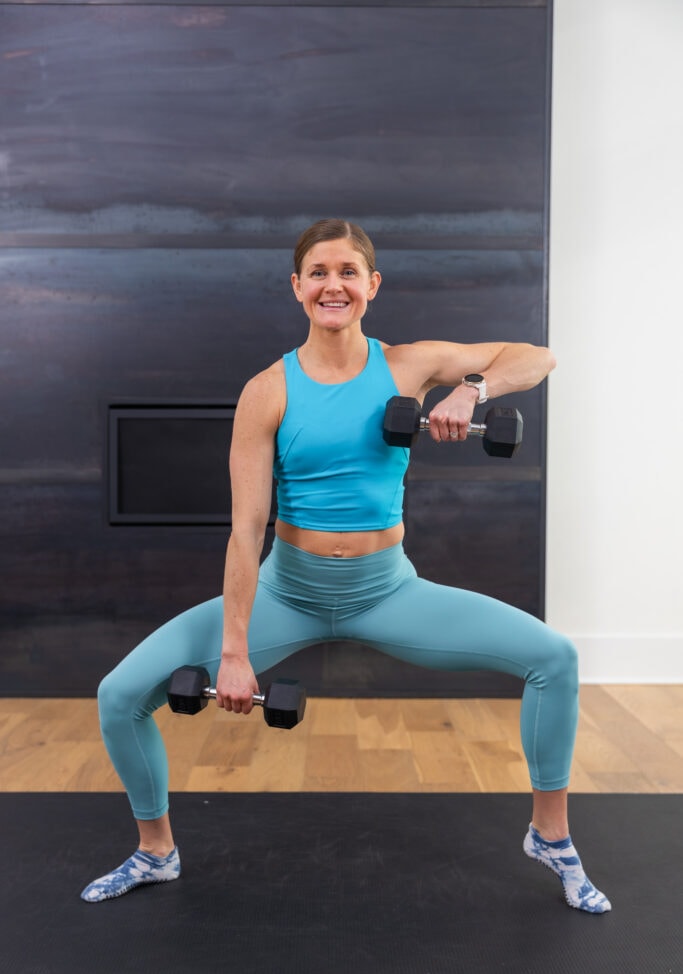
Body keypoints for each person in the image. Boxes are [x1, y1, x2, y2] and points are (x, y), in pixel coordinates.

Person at [82, 218, 610, 913]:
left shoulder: (410, 365)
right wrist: (234, 651)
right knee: (120, 696)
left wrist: (471, 389)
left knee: (555, 658)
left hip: (387, 592)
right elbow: (245, 529)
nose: (334, 285)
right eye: (320, 273)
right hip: (288, 592)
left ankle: (549, 838)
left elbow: (537, 356)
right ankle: (156, 851)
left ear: (371, 286)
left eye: (348, 273)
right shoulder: (266, 390)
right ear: (298, 287)